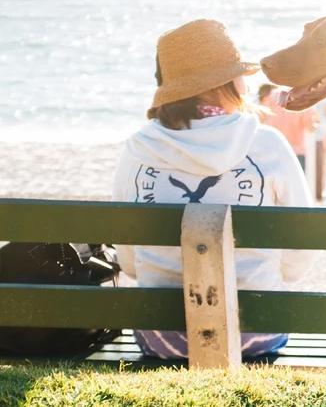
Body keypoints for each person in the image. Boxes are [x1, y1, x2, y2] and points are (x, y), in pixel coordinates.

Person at [112, 19, 314, 359]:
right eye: (238, 74)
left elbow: (129, 264)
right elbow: (301, 253)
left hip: (162, 335)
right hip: (257, 329)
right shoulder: (266, 143)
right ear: (226, 82)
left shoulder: (138, 149)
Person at [258, 83, 315, 170]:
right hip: (296, 153)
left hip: (274, 151)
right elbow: (311, 128)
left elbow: (261, 118)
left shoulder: (273, 95)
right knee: (296, 183)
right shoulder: (304, 98)